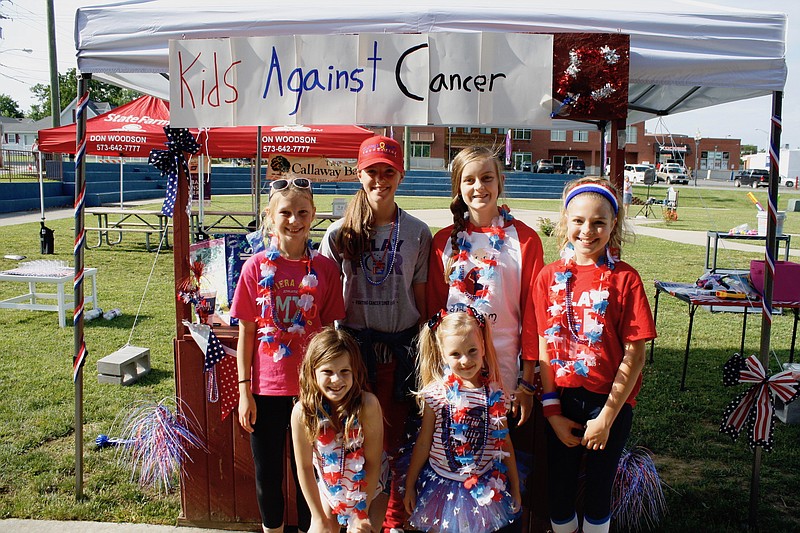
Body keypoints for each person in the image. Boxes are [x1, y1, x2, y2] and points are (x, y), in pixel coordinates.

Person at [320, 135, 432, 533]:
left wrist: (423, 355)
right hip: (353, 359)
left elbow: (419, 300)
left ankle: (394, 521)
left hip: (399, 353)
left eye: (388, 171)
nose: (380, 180)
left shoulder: (418, 232)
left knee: (396, 441)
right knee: (354, 445)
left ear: (400, 174)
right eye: (372, 171)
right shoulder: (338, 232)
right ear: (359, 174)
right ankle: (356, 518)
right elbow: (327, 303)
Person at [533, 177, 657, 533]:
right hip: (562, 399)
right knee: (559, 488)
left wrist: (607, 417)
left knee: (600, 489)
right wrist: (552, 409)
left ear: (613, 224)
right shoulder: (548, 277)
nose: (588, 230)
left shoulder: (625, 279)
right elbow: (544, 344)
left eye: (599, 222)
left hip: (610, 402)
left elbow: (634, 354)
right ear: (565, 221)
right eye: (579, 220)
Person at [231, 176, 346, 533]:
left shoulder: (326, 270)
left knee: (309, 474)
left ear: (313, 215)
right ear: (270, 215)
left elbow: (329, 333)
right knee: (268, 474)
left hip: (312, 390)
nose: (294, 221)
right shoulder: (254, 268)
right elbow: (247, 333)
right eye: (285, 213)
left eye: (302, 212)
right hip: (266, 389)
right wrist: (244, 391)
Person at [427, 146, 544, 423]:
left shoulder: (525, 240)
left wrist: (527, 380)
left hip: (505, 371)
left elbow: (532, 316)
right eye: (469, 180)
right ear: (458, 186)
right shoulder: (444, 241)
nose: (479, 187)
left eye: (487, 178)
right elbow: (432, 314)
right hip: (453, 369)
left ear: (500, 181)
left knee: (500, 454)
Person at [403, 308, 521, 532]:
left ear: (484, 348)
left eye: (472, 351)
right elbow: (424, 442)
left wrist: (515, 485)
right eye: (456, 354)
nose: (465, 360)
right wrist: (410, 485)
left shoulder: (495, 395)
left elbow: (505, 444)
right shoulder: (436, 394)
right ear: (442, 354)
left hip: (484, 486)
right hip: (442, 487)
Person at [291, 326, 389, 533]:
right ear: (312, 372)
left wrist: (360, 514)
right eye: (327, 372)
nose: (336, 380)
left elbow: (372, 463)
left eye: (345, 371)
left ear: (355, 371)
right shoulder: (302, 412)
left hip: (370, 486)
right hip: (330, 487)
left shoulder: (368, 405)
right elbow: (305, 468)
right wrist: (318, 518)